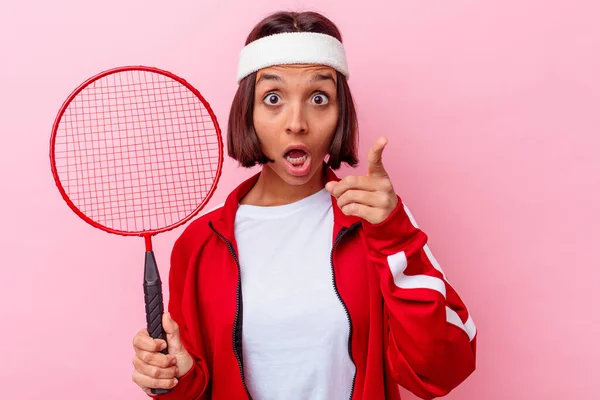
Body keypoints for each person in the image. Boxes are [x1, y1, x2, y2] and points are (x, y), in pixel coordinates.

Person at [131, 10, 477, 400]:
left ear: (340, 113)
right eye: (273, 98)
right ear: (248, 112)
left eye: (318, 98)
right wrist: (177, 379)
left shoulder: (377, 225)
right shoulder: (200, 244)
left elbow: (442, 370)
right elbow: (196, 388)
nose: (297, 123)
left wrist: (394, 233)